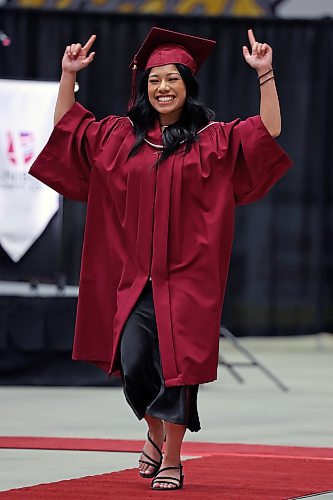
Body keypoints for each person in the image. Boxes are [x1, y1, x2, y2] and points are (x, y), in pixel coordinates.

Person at [29, 27, 292, 490]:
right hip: (134, 276)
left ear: (188, 86)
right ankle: (153, 436)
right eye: (154, 80)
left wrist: (265, 74)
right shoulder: (119, 136)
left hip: (188, 277)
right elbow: (69, 129)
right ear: (144, 87)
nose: (163, 88)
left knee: (180, 369)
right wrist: (68, 76)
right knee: (135, 362)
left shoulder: (212, 139)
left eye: (172, 79)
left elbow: (267, 130)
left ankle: (172, 457)